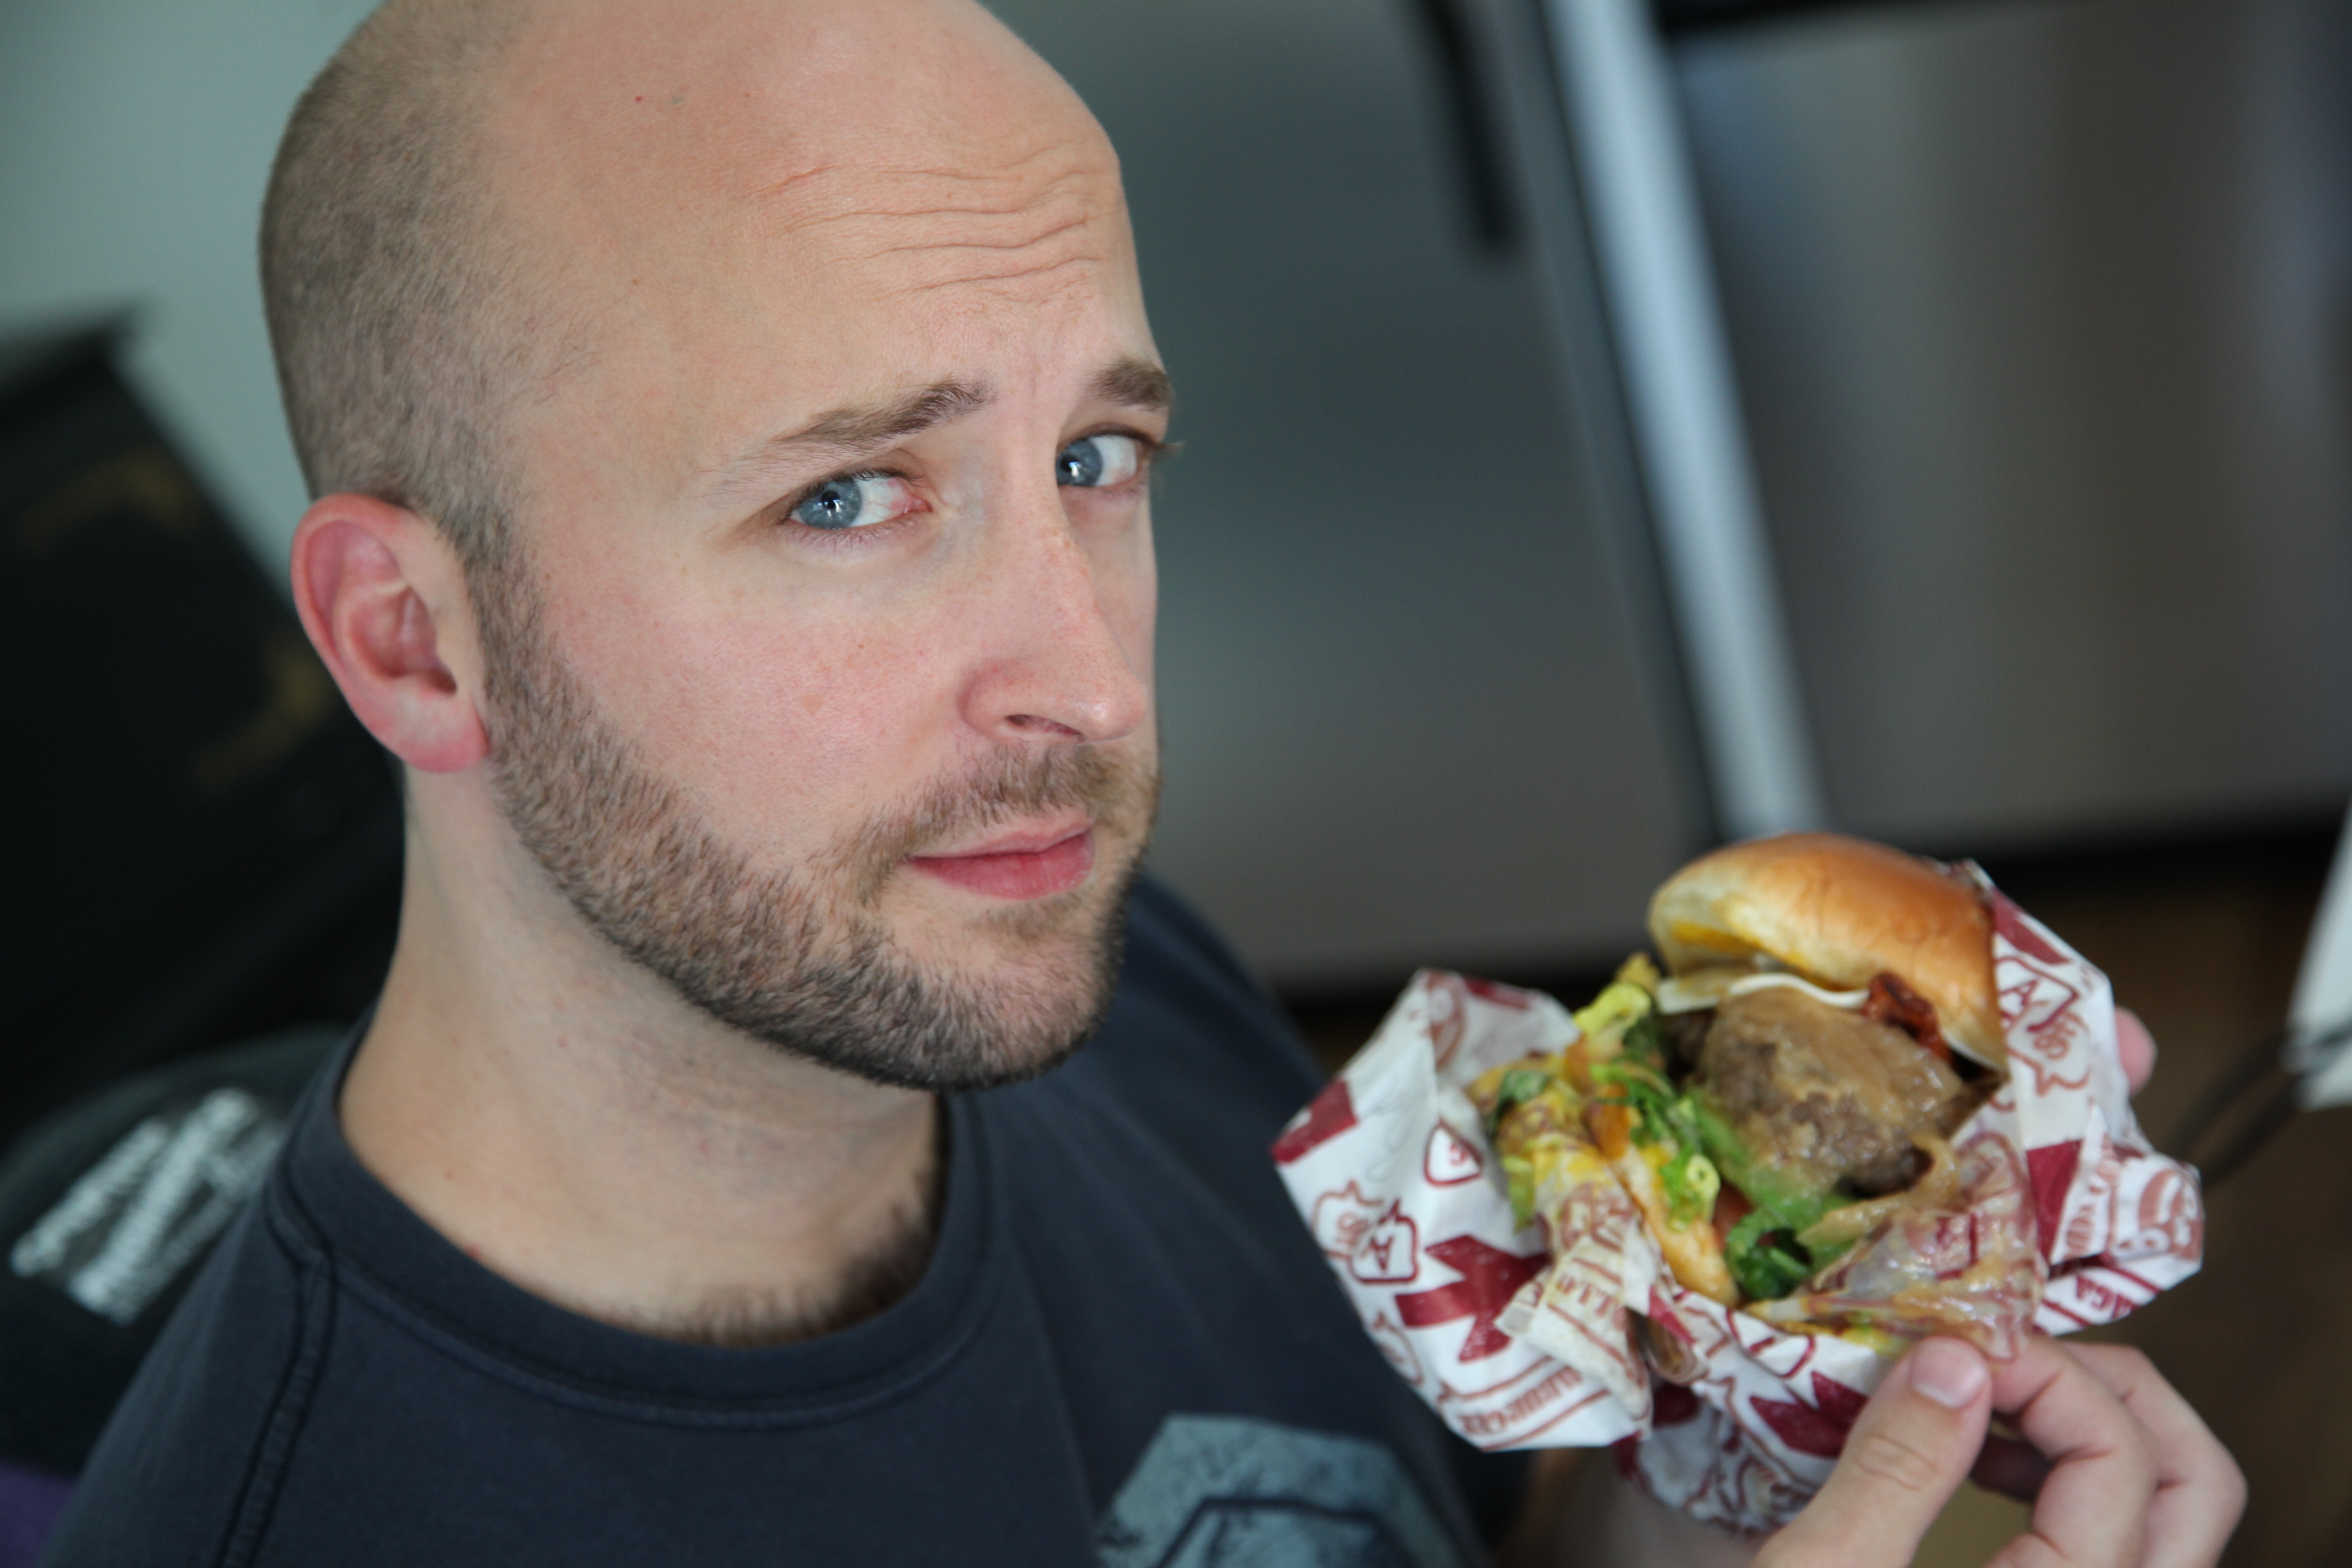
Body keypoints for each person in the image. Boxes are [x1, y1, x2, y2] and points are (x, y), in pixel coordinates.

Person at [40, 0, 2244, 1563]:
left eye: (1096, 459)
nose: (1086, 690)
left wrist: (1722, 1425)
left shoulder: (1068, 974)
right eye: (849, 500)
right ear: (414, 641)